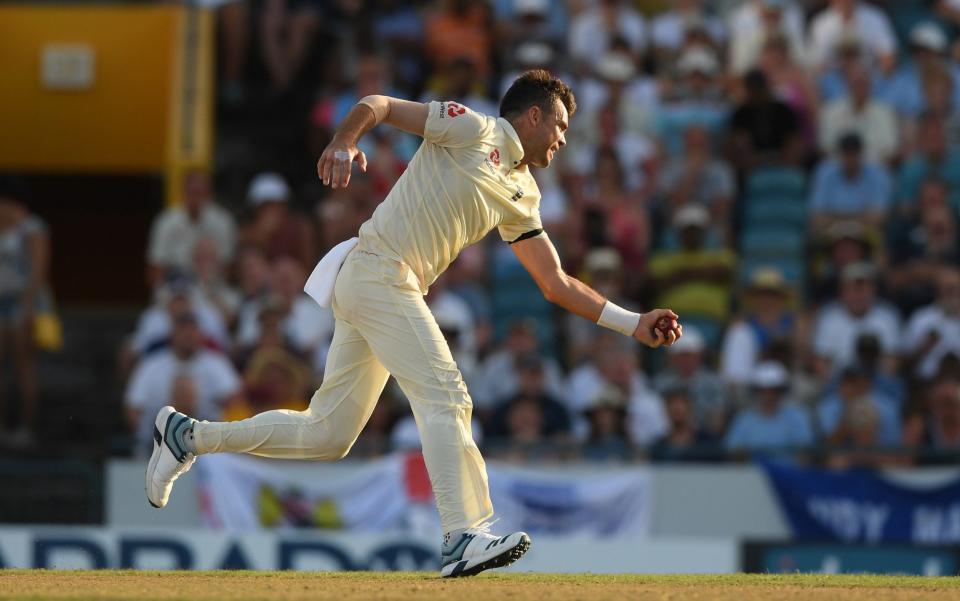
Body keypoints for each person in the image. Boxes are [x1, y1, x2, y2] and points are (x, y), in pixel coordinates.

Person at [144, 70, 682, 578]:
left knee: (328, 434)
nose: (565, 139)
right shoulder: (474, 127)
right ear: (534, 117)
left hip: (384, 286)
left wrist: (633, 323)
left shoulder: (524, 193)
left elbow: (555, 283)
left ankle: (187, 437)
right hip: (379, 270)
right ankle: (462, 535)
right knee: (447, 394)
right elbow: (376, 105)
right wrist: (343, 140)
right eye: (561, 125)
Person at [0, 180, 50, 446]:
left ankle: (25, 427)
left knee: (23, 365)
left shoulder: (32, 229)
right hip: (1, 300)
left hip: (23, 302)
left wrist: (28, 307)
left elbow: (38, 271)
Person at [146, 169, 236, 289]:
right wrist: (163, 297)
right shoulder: (166, 221)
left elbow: (227, 266)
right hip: (175, 288)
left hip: (212, 288)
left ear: (209, 194)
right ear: (183, 193)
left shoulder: (223, 221)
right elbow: (156, 267)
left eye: (200, 192)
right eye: (192, 192)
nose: (195, 197)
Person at [724, 361, 814, 454]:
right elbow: (733, 453)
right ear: (755, 391)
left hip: (787, 468)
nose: (768, 395)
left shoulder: (797, 416)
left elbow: (804, 454)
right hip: (752, 468)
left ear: (782, 391)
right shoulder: (744, 419)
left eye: (773, 390)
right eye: (763, 390)